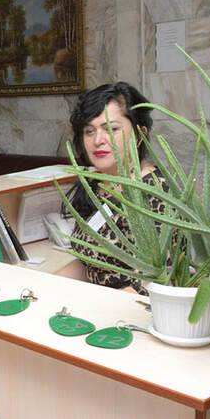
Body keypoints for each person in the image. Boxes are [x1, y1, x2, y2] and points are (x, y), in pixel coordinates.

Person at [64, 82, 170, 293]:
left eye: (111, 129)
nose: (98, 140)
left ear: (139, 135)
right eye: (89, 131)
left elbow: (153, 283)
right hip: (93, 299)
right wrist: (40, 287)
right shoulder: (97, 182)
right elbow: (88, 264)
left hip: (131, 306)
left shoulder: (155, 192)